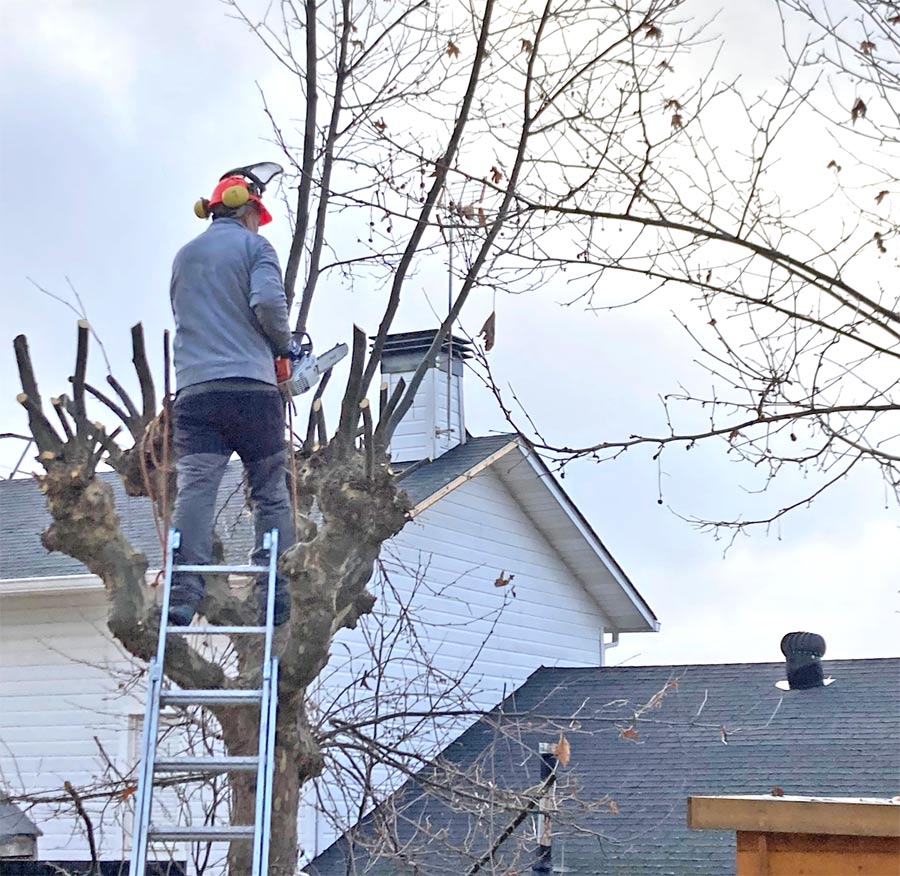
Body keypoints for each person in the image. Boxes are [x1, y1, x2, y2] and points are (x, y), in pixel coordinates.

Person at [167, 164, 294, 626]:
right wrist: (283, 346)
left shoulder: (184, 256)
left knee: (196, 489)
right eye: (258, 216)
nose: (259, 223)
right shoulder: (256, 248)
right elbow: (268, 303)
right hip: (252, 392)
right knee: (270, 492)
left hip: (196, 394)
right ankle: (274, 590)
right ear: (246, 209)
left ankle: (184, 590)